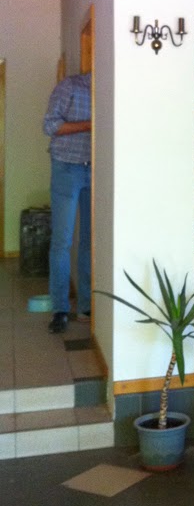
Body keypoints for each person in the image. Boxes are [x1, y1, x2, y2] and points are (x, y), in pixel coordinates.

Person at [43, 71, 92, 334]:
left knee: (90, 241)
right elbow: (49, 126)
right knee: (62, 241)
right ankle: (60, 309)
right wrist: (89, 125)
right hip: (66, 167)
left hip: (96, 170)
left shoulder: (113, 89)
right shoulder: (70, 86)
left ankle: (86, 306)